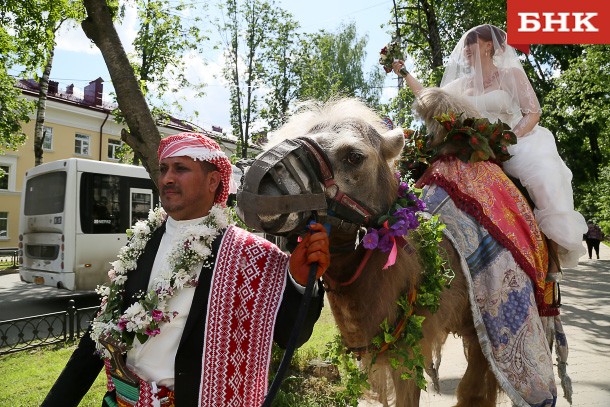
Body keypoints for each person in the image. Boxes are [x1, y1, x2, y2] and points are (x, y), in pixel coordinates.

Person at [41, 132, 330, 407]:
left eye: (180, 168)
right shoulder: (141, 243)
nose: (167, 178)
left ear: (213, 181)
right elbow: (99, 333)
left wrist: (301, 283)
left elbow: (289, 335)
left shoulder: (250, 254)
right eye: (163, 168)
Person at [392, 24, 587, 273]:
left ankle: (549, 253)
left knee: (542, 174)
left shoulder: (511, 76)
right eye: (465, 46)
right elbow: (429, 96)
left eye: (471, 44)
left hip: (513, 142)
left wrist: (507, 139)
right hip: (473, 147)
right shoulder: (461, 86)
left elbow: (533, 112)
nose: (466, 50)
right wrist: (405, 73)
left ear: (488, 46)